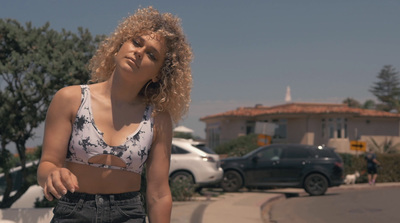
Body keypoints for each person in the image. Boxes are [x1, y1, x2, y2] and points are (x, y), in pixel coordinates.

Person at [37, 6, 192, 223]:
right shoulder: (70, 99)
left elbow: (158, 193)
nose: (139, 52)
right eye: (136, 42)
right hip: (72, 212)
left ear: (158, 74)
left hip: (128, 215)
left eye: (151, 54)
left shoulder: (158, 119)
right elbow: (47, 164)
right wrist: (52, 174)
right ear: (119, 47)